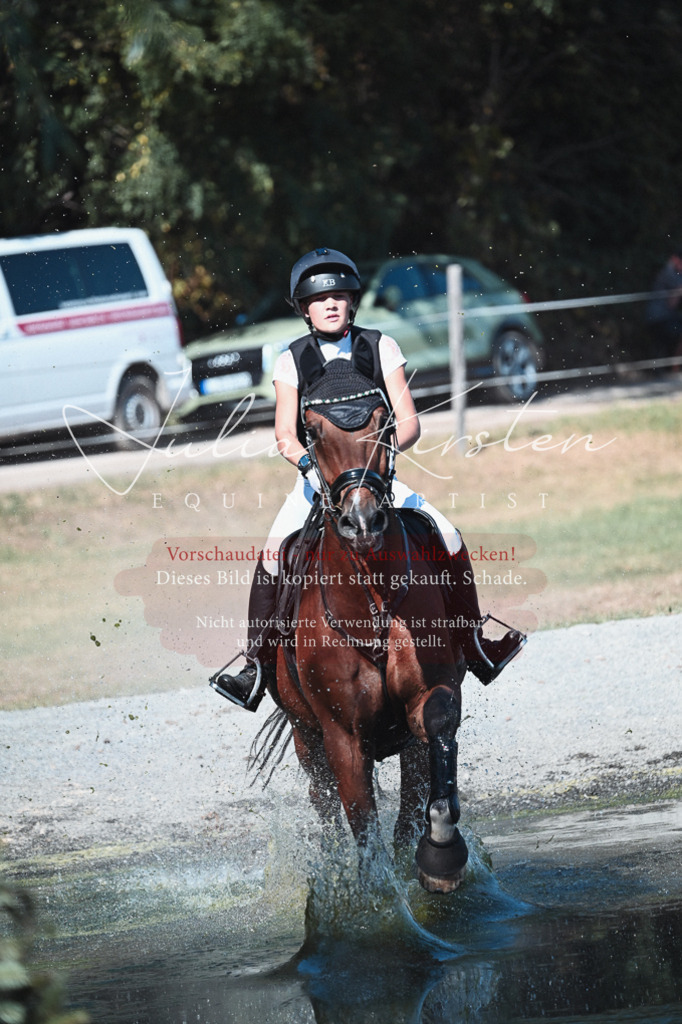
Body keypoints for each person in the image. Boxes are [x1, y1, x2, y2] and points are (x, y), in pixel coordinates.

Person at [211, 248, 525, 711]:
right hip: (317, 480)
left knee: (450, 536)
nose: (331, 305)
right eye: (320, 300)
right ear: (303, 309)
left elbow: (410, 421)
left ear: (353, 302)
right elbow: (283, 434)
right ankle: (255, 666)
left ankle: (475, 643)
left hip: (377, 478)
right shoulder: (290, 360)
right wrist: (309, 469)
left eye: (339, 296)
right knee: (273, 554)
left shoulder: (381, 346)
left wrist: (379, 462)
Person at [646, 247, 682, 366]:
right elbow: (672, 303)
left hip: (664, 317)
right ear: (675, 260)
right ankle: (674, 367)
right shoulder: (669, 273)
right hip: (659, 318)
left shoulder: (674, 272)